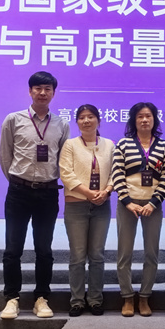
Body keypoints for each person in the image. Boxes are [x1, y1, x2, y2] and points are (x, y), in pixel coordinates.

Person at [0, 71, 70, 319]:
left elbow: (63, 160)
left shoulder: (61, 125)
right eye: (38, 88)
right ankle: (12, 298)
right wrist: (18, 181)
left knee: (44, 249)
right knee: (13, 248)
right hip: (18, 192)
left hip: (48, 193)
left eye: (47, 89)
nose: (42, 93)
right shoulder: (13, 119)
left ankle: (41, 298)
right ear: (30, 91)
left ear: (53, 93)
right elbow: (5, 155)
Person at [111, 102, 165, 317]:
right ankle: (127, 297)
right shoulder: (123, 144)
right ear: (133, 120)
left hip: (152, 206)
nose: (144, 120)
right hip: (127, 205)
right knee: (124, 253)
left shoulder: (163, 146)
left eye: (148, 116)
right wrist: (127, 201)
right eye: (140, 116)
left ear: (154, 119)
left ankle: (145, 297)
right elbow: (117, 173)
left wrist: (153, 203)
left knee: (151, 253)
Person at [59, 104, 115, 317]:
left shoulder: (109, 144)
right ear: (77, 122)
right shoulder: (70, 145)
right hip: (76, 205)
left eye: (90, 116)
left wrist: (107, 191)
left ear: (99, 120)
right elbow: (66, 174)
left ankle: (95, 300)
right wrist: (88, 193)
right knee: (78, 255)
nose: (86, 121)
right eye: (82, 117)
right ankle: (76, 301)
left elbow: (116, 172)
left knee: (97, 255)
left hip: (102, 205)